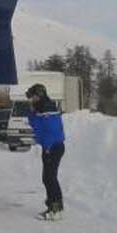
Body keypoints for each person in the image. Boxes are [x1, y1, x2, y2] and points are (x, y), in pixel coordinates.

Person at [26, 83, 66, 219]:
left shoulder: (48, 109)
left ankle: (55, 209)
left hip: (53, 147)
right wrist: (31, 111)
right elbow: (34, 124)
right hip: (49, 147)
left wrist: (48, 147)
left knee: (49, 178)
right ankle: (55, 206)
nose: (31, 100)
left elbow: (52, 130)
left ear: (39, 95)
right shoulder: (40, 108)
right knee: (48, 178)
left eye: (33, 97)